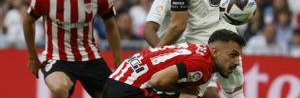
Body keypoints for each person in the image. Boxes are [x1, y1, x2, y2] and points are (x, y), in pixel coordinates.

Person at [23, 0, 121, 98]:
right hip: (57, 57)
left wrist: (117, 59)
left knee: (114, 94)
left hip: (90, 57)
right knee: (59, 89)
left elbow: (111, 25)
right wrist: (32, 56)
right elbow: (28, 21)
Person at [103, 29, 246, 98]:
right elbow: (157, 80)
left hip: (116, 81)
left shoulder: (198, 50)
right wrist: (181, 92)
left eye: (238, 56)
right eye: (232, 55)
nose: (236, 62)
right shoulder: (202, 65)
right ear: (215, 51)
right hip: (129, 88)